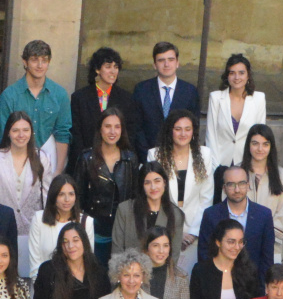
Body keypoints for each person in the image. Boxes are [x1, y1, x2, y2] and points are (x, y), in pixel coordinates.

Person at [71, 108, 138, 264]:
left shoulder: (130, 159)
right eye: (107, 126)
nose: (112, 131)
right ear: (100, 129)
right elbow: (78, 196)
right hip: (94, 229)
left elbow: (135, 195)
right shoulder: (86, 158)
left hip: (122, 229)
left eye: (117, 126)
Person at [0, 39, 72, 173]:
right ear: (25, 62)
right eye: (34, 60)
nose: (40, 65)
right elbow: (2, 137)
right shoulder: (9, 96)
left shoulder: (59, 94)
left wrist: (58, 172)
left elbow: (63, 134)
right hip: (15, 162)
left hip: (50, 161)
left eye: (44, 60)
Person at [147, 111, 214, 261]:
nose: (183, 133)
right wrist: (174, 231)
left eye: (187, 129)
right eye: (178, 129)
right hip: (164, 230)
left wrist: (193, 232)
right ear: (170, 131)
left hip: (195, 232)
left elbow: (206, 197)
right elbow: (155, 199)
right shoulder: (155, 155)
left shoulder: (205, 155)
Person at [70, 47, 142, 164]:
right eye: (108, 67)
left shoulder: (126, 99)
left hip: (116, 161)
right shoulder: (80, 97)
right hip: (86, 160)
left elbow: (130, 133)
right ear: (97, 69)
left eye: (116, 67)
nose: (113, 71)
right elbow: (76, 135)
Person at [197, 166, 274, 275]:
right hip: (219, 281)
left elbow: (267, 258)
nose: (237, 189)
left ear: (248, 185)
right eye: (231, 184)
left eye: (241, 183)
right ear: (224, 188)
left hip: (253, 284)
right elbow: (204, 254)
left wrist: (261, 288)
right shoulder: (211, 215)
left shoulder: (264, 215)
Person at [114, 163, 185, 272]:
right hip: (130, 276)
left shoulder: (176, 215)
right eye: (147, 183)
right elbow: (117, 251)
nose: (153, 187)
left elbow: (173, 256)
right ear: (142, 186)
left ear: (164, 183)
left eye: (157, 181)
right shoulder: (125, 210)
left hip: (161, 277)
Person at [132, 41, 200, 153]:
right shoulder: (141, 90)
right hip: (148, 155)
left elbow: (194, 126)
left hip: (180, 155)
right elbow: (136, 127)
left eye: (171, 59)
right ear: (154, 64)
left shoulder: (190, 91)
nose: (166, 64)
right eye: (161, 60)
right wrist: (147, 155)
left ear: (177, 63)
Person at [0, 111, 52, 225]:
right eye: (15, 130)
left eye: (26, 130)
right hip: (2, 226)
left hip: (34, 227)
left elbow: (47, 196)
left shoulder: (42, 158)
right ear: (8, 132)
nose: (21, 135)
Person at [205, 54, 267, 167]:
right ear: (227, 76)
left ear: (248, 75)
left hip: (247, 162)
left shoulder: (259, 99)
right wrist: (215, 167)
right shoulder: (216, 98)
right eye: (232, 73)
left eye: (241, 73)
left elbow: (260, 135)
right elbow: (211, 135)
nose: (236, 77)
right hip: (220, 162)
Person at [243, 125, 283, 263]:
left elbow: (282, 215)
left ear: (271, 147)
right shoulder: (237, 173)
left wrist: (263, 236)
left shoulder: (282, 176)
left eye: (265, 144)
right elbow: (228, 210)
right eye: (255, 144)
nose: (260, 149)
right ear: (248, 145)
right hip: (240, 246)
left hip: (271, 245)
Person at [28, 175, 95, 272]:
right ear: (53, 196)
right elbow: (34, 263)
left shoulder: (86, 222)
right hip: (45, 282)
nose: (67, 199)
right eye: (61, 194)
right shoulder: (39, 219)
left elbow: (88, 259)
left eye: (71, 194)